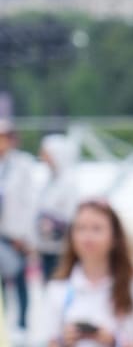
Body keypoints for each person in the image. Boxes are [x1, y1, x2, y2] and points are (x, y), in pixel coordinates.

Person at [41, 200, 133, 347]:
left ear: (115, 237)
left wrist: (114, 341)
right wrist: (64, 341)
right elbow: (51, 342)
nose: (87, 236)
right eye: (81, 228)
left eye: (97, 229)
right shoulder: (58, 288)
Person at [0, 118, 34, 337]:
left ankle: (22, 325)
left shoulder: (23, 164)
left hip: (16, 233)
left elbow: (29, 202)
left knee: (20, 279)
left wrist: (24, 235)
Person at [36, 133, 82, 281]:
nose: (43, 157)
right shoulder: (48, 180)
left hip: (62, 245)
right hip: (46, 244)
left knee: (59, 282)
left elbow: (71, 214)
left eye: (46, 153)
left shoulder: (69, 183)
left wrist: (52, 222)